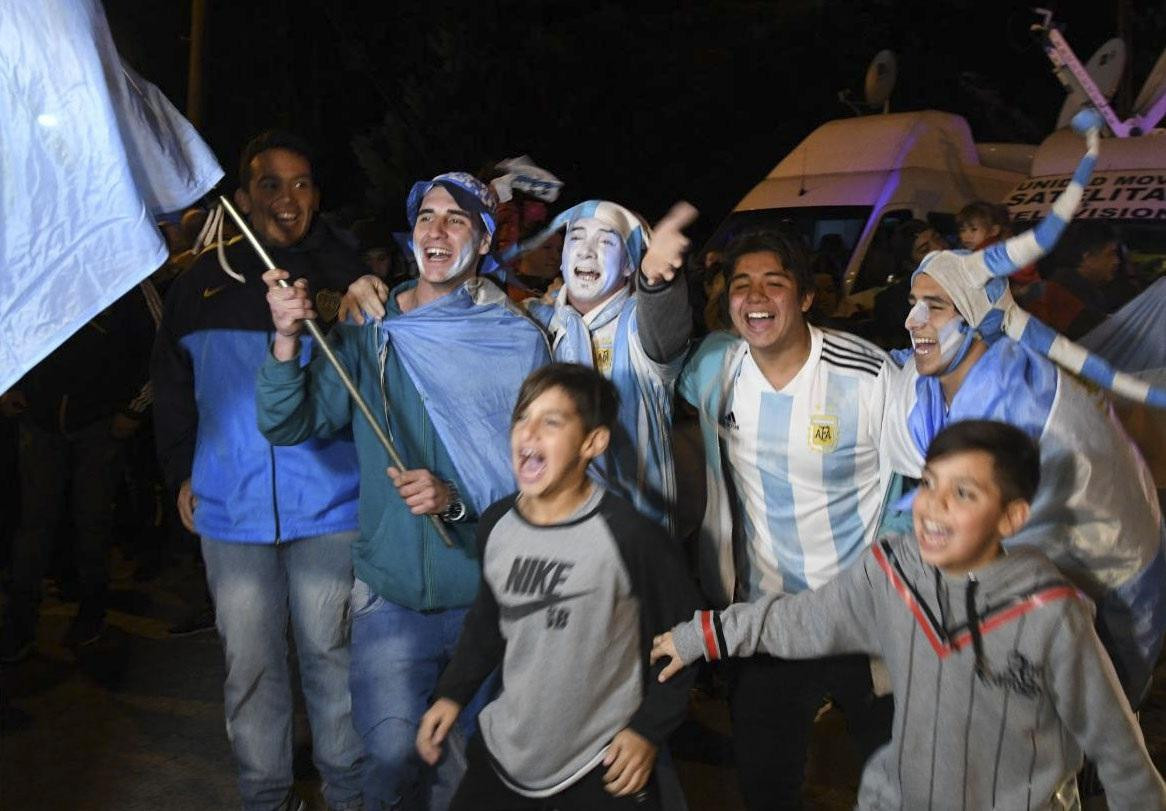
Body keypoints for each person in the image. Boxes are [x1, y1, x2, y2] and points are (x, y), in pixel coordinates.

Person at [652, 420, 1166, 809]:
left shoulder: (1053, 615)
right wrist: (705, 634)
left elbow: (1118, 750)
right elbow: (802, 620)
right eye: (928, 483)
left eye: (963, 493)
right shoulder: (891, 569)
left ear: (1011, 518)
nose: (932, 506)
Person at [257, 171, 551, 810]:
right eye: (426, 217)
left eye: (456, 219)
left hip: (485, 600)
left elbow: (541, 478)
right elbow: (288, 421)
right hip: (389, 598)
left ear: (482, 239)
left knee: (465, 776)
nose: (436, 230)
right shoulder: (371, 325)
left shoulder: (516, 339)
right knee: (390, 761)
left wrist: (457, 499)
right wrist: (285, 338)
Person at [896, 114, 1166, 704]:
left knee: (1090, 720)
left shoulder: (1017, 399)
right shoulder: (925, 378)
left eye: (934, 308)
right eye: (913, 302)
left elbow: (958, 523)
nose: (914, 321)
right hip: (1026, 604)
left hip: (1107, 583)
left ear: (977, 323)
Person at [152, 130, 366, 811]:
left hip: (330, 505)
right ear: (242, 196)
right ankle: (267, 797)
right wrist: (180, 471)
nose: (286, 197)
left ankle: (348, 794)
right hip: (230, 510)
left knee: (333, 661)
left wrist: (336, 266)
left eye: (302, 184)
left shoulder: (342, 279)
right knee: (252, 669)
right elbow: (172, 388)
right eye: (269, 184)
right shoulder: (198, 287)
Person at [677, 228, 919, 810]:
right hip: (766, 618)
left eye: (774, 283)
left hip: (862, 620)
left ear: (806, 296)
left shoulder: (868, 377)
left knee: (897, 780)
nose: (756, 297)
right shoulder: (715, 367)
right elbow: (655, 362)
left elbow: (914, 486)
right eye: (742, 285)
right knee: (766, 784)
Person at [416, 363, 700, 810]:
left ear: (593, 442)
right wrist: (453, 694)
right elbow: (488, 623)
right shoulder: (497, 524)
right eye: (522, 418)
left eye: (552, 422)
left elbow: (687, 640)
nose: (529, 433)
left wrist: (647, 729)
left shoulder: (631, 537)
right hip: (508, 751)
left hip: (598, 761)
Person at [0, 281, 158, 661]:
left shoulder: (126, 274)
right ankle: (20, 624)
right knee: (34, 526)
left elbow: (158, 344)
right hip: (39, 420)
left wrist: (132, 410)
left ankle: (92, 614)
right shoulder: (36, 269)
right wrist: (8, 384)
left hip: (99, 424)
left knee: (93, 522)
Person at [1025, 222, 1120, 339]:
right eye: (1110, 254)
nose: (1116, 261)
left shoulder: (1086, 292)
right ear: (1087, 257)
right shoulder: (1061, 294)